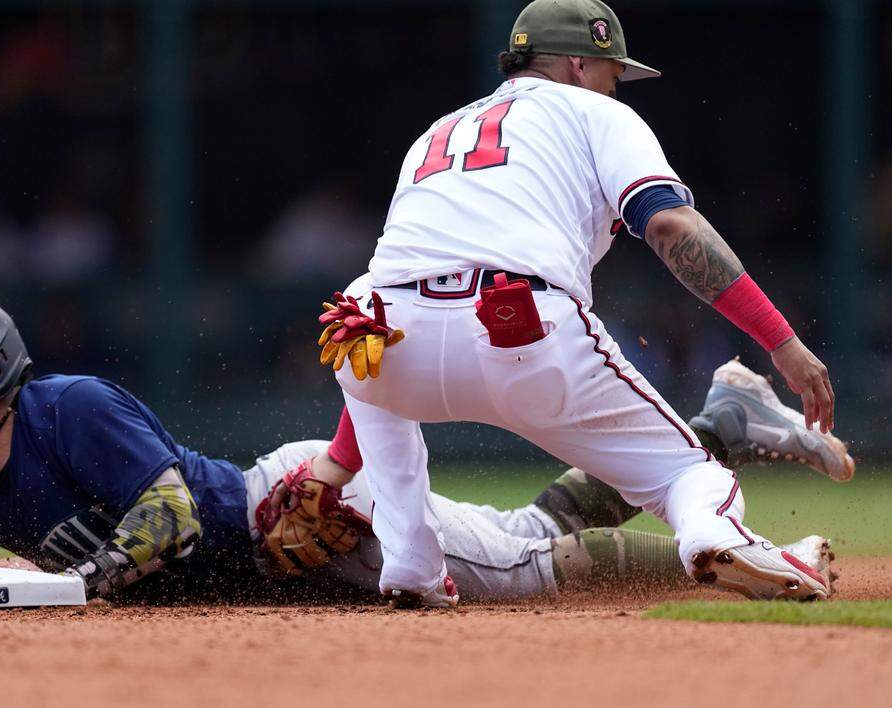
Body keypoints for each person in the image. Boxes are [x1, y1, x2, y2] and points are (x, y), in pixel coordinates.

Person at [0, 296, 848, 605]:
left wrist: (78, 585)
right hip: (274, 569)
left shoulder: (64, 407)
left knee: (526, 561)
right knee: (522, 543)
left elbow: (174, 512)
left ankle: (715, 448)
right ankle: (710, 430)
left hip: (294, 514)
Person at [309, 0, 838, 607]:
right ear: (580, 64)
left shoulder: (436, 132)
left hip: (379, 328)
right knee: (690, 475)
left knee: (365, 332)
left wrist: (337, 465)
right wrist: (782, 341)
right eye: (615, 73)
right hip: (517, 325)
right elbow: (670, 226)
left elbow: (406, 293)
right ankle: (711, 536)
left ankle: (410, 567)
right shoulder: (595, 114)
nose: (618, 88)